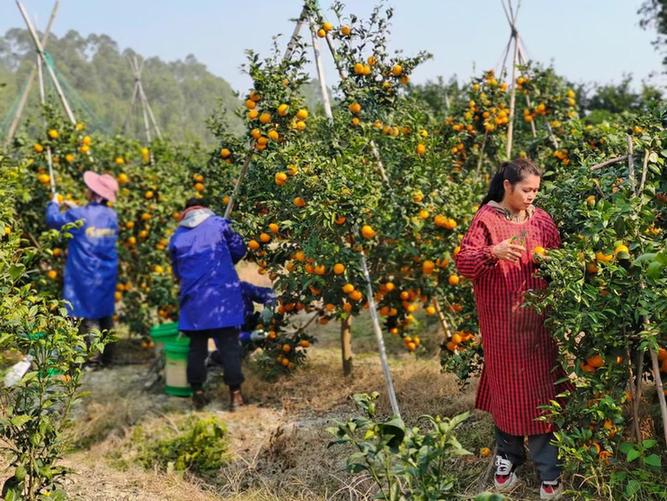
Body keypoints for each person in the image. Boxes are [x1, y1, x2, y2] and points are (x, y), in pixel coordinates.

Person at [454, 158, 565, 501]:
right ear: (507, 186)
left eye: (536, 190)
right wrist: (493, 252)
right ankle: (508, 463)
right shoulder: (486, 220)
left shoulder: (542, 220)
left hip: (538, 325)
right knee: (508, 391)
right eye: (526, 190)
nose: (532, 196)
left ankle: (549, 472)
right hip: (501, 325)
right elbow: (463, 262)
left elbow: (561, 259)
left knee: (542, 392)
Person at [168, 198, 247, 410]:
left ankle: (197, 392)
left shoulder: (178, 236)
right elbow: (240, 250)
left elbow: (177, 272)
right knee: (229, 347)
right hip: (222, 298)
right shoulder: (219, 224)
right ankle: (235, 396)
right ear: (205, 208)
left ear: (186, 212)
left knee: (196, 349)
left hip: (194, 302)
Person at [46, 171, 119, 367]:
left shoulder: (79, 215)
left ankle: (89, 360)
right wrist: (77, 209)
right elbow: (92, 226)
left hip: (84, 274)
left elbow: (54, 220)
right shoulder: (112, 215)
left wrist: (53, 202)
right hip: (106, 273)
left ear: (95, 193)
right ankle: (108, 359)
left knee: (81, 314)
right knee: (105, 315)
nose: (86, 190)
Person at [208, 280, 275, 366]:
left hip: (251, 325)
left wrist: (269, 307)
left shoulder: (241, 287)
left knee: (274, 331)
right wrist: (249, 336)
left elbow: (269, 293)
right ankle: (213, 357)